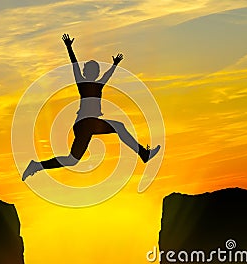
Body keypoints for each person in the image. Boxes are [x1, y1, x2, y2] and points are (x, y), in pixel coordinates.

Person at [22, 34, 160, 181]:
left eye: (96, 71)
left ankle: (36, 166)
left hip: (85, 126)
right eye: (91, 70)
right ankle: (143, 154)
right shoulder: (82, 83)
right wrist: (69, 47)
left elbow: (107, 76)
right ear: (85, 72)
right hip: (86, 122)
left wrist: (115, 64)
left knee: (72, 160)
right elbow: (74, 65)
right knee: (119, 126)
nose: (95, 73)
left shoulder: (99, 85)